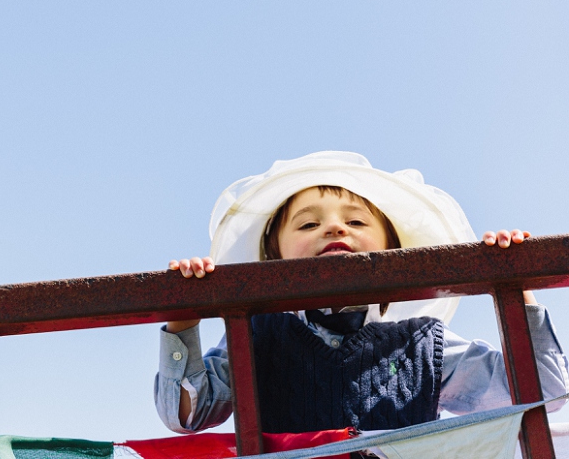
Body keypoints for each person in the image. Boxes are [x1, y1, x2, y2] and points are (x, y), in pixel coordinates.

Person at [155, 151, 569, 435]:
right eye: (306, 225)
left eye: (356, 221)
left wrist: (515, 287)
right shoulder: (257, 334)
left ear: (391, 249)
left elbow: (546, 392)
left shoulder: (425, 342)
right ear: (274, 256)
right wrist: (185, 318)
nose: (335, 229)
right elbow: (186, 414)